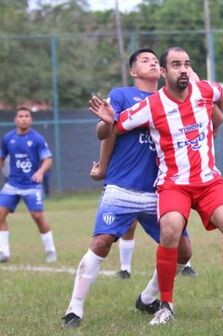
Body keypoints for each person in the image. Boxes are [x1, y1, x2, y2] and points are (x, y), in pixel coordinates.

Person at [89, 47, 223, 326]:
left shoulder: (204, 90)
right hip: (174, 184)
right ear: (164, 72)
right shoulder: (151, 105)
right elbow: (115, 127)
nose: (183, 69)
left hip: (209, 180)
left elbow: (222, 95)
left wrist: (215, 123)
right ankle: (165, 305)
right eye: (176, 65)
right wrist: (106, 124)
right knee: (170, 229)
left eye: (187, 64)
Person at [61, 49, 194, 329]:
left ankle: (146, 299)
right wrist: (103, 161)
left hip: (161, 190)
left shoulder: (170, 99)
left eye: (156, 60)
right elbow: (103, 130)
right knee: (101, 242)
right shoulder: (121, 96)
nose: (153, 62)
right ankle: (74, 309)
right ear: (133, 72)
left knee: (183, 251)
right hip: (122, 187)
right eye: (145, 60)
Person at [0, 107, 57, 264]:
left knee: (37, 217)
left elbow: (48, 159)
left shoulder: (37, 139)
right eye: (21, 116)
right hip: (12, 184)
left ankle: (51, 251)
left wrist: (40, 172)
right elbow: (0, 158)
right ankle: (3, 253)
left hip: (31, 185)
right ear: (15, 119)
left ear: (30, 120)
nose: (24, 119)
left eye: (27, 116)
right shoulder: (8, 138)